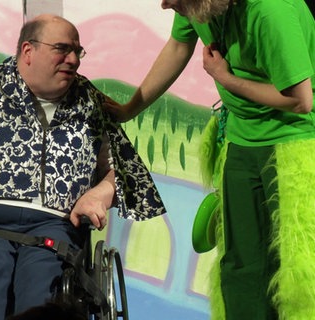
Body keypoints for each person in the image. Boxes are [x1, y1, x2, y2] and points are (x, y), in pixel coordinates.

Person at [0, 14, 165, 320]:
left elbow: (121, 168)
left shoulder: (89, 100)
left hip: (53, 226)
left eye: (77, 52)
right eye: (62, 49)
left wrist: (101, 192)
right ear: (28, 51)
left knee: (38, 293)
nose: (73, 60)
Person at [105, 0, 315, 319]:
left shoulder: (270, 10)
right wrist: (130, 109)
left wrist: (227, 80)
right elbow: (178, 46)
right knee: (240, 265)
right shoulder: (198, 8)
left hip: (296, 142)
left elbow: (301, 100)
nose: (164, 5)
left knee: (298, 268)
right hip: (241, 141)